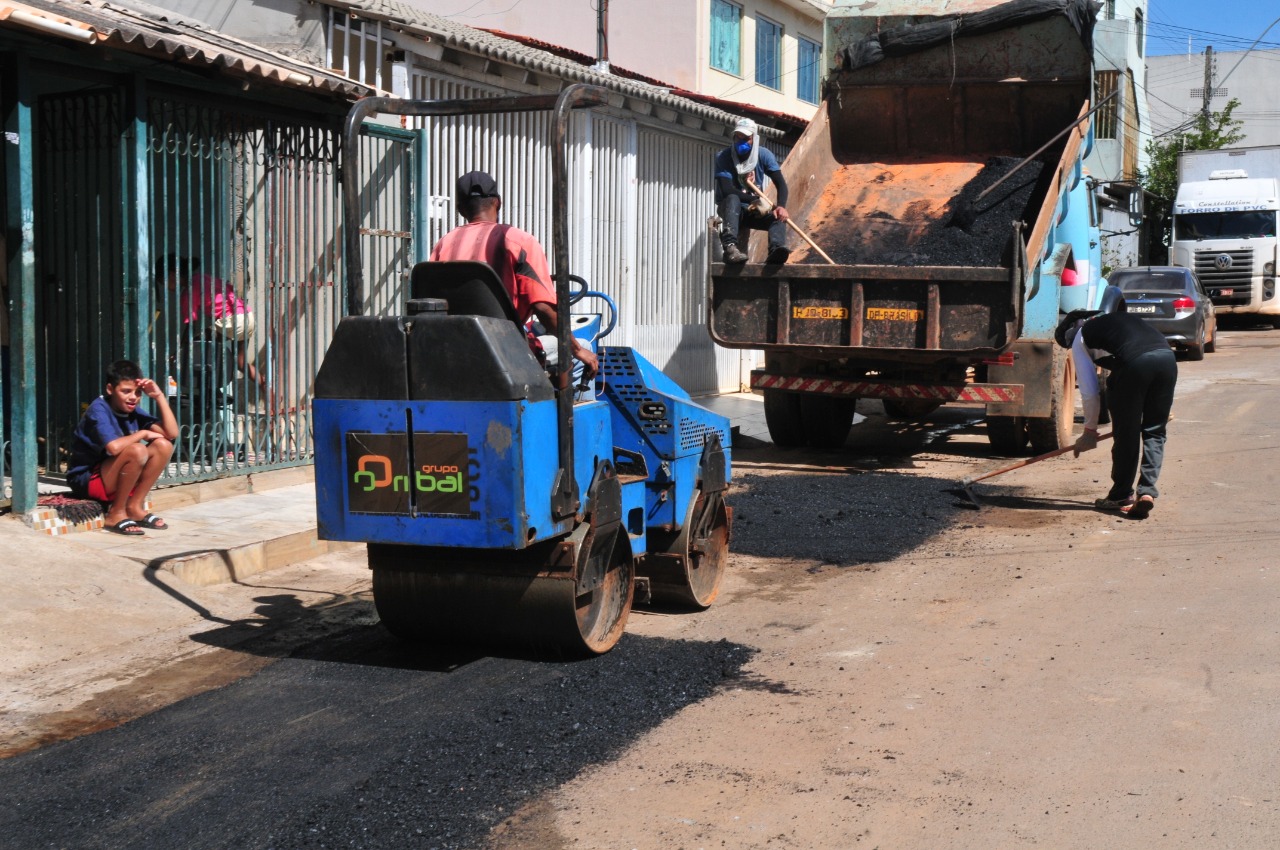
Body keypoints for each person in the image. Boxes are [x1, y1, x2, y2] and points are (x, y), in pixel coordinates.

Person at [429, 170, 598, 384]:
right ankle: (568, 414)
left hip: (455, 348)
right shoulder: (518, 241)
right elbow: (544, 310)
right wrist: (577, 350)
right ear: (497, 203)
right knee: (585, 347)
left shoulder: (444, 244)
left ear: (461, 209)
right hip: (507, 349)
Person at [1055, 285, 1177, 520]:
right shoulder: (1119, 320)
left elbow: (1090, 392)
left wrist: (1089, 431)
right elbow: (1145, 352)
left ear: (1073, 330)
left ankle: (1121, 494)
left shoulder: (1082, 336)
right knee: (1155, 431)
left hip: (1135, 364)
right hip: (1167, 360)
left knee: (1127, 434)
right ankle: (1147, 492)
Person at [67, 359, 180, 535]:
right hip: (87, 479)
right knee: (137, 449)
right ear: (110, 389)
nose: (133, 397)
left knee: (163, 446)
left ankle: (134, 506)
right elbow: (113, 448)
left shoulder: (132, 410)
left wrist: (159, 396)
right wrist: (142, 434)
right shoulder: (99, 410)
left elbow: (171, 433)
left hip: (111, 475)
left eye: (138, 392)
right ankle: (116, 513)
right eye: (126, 391)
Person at [156, 255, 270, 405]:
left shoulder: (188, 292)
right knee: (240, 362)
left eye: (164, 282)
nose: (166, 287)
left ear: (172, 275)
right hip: (247, 317)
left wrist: (179, 350)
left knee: (197, 343)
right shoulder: (202, 278)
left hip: (233, 321)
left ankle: (213, 389)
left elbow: (191, 325)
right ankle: (267, 387)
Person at [714, 117, 791, 264]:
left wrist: (781, 206)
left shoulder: (763, 155)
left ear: (754, 139)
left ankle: (776, 250)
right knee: (732, 198)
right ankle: (730, 247)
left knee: (777, 216)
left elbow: (781, 183)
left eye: (746, 138)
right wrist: (755, 200)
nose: (741, 142)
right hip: (731, 210)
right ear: (734, 137)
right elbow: (726, 190)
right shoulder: (724, 157)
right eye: (738, 137)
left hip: (752, 211)